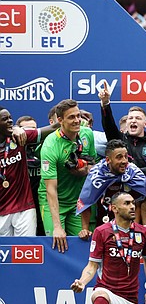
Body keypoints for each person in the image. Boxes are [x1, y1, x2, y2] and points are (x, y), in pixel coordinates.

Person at [40, 99, 97, 252]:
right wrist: (57, 227)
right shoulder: (50, 145)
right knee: (56, 243)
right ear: (60, 120)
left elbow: (92, 165)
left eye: (78, 116)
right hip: (55, 200)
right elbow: (50, 190)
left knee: (84, 245)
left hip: (77, 202)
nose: (77, 120)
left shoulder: (87, 134)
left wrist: (83, 170)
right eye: (71, 117)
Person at [98, 77, 146, 174]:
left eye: (138, 118)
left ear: (145, 124)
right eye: (130, 118)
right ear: (127, 123)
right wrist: (105, 103)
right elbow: (108, 125)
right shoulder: (119, 140)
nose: (133, 121)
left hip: (145, 186)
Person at [0, 109, 56, 236]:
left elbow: (54, 128)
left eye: (10, 118)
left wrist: (17, 128)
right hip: (1, 210)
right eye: (4, 119)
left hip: (24, 208)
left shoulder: (18, 137)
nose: (9, 121)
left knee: (25, 252)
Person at [76, 140, 146, 234]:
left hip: (129, 226)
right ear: (108, 160)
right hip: (103, 224)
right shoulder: (97, 175)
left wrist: (135, 229)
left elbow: (138, 204)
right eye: (119, 157)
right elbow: (86, 202)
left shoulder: (134, 173)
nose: (124, 161)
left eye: (126, 156)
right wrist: (85, 229)